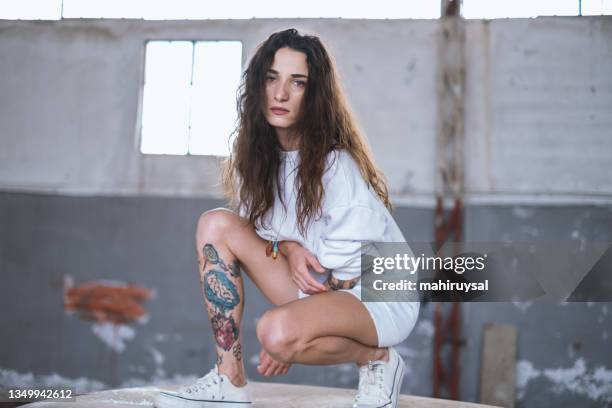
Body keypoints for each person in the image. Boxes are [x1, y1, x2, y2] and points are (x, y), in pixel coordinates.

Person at [154, 28, 419, 408]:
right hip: (321, 280)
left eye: (297, 83)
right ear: (257, 85)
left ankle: (378, 360)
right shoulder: (255, 159)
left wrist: (294, 328)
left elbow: (345, 275)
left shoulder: (334, 164)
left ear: (314, 96)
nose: (280, 94)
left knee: (276, 334)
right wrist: (290, 248)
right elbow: (263, 228)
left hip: (379, 290)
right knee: (216, 224)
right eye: (271, 78)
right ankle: (229, 380)